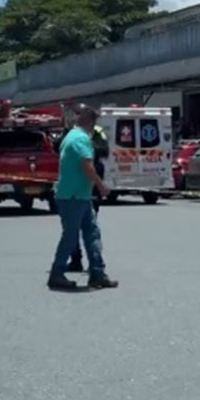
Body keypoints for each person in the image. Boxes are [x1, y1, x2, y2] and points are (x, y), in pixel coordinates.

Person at [48, 105, 117, 291]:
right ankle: (57, 273)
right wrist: (101, 186)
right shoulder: (80, 139)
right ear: (92, 122)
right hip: (73, 195)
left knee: (92, 232)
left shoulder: (71, 136)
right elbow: (87, 165)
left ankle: (97, 273)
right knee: (71, 236)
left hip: (80, 195)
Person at [65, 124, 109, 273]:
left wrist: (87, 148)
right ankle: (76, 259)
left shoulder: (97, 130)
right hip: (74, 183)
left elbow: (105, 150)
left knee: (90, 228)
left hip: (92, 180)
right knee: (73, 228)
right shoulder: (71, 131)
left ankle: (95, 263)